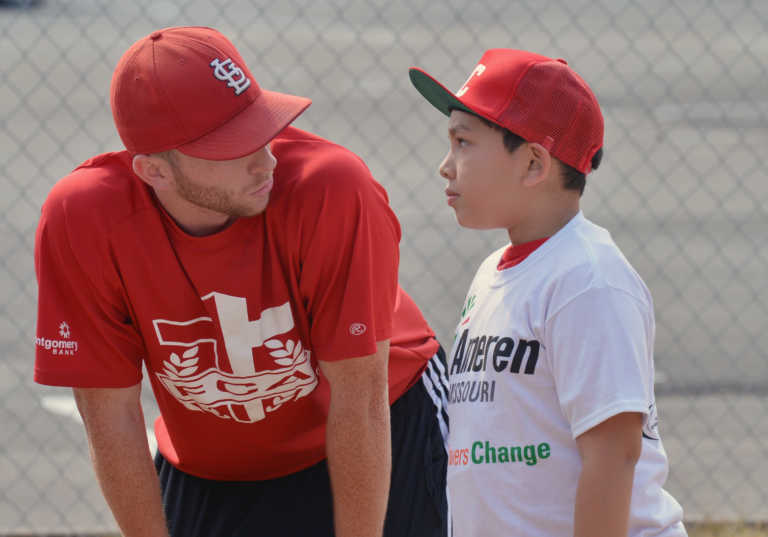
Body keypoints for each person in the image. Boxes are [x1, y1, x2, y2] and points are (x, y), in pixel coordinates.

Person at [33, 26, 450, 537]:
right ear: (153, 171)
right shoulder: (84, 219)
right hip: (216, 459)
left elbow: (360, 397)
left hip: (380, 411)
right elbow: (109, 414)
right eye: (232, 147)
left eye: (262, 128)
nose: (265, 160)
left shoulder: (331, 188)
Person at [408, 49, 687, 537]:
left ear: (534, 163)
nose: (445, 166)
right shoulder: (494, 273)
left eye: (463, 142)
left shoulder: (588, 281)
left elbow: (615, 456)